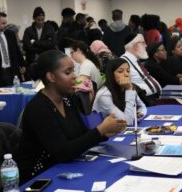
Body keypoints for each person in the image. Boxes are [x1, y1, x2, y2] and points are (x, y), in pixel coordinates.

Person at [15, 50, 127, 184]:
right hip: (39, 175)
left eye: (74, 71)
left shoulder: (69, 99)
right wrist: (100, 131)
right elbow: (62, 152)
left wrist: (105, 133)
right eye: (68, 73)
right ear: (51, 77)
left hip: (65, 166)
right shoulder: (38, 108)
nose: (75, 76)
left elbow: (81, 135)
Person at [93, 58, 147, 125]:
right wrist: (129, 90)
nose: (126, 74)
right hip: (108, 132)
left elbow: (142, 106)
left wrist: (139, 114)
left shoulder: (129, 86)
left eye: (128, 71)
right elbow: (127, 122)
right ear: (111, 75)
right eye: (120, 71)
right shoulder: (104, 95)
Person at [121, 33, 161, 106]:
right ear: (135, 46)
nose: (146, 45)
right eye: (143, 43)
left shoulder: (136, 60)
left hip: (153, 100)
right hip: (144, 103)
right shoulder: (123, 63)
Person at [0, 12, 26, 88]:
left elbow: (17, 51)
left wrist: (23, 64)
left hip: (11, 72)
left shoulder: (10, 34)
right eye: (3, 23)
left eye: (6, 23)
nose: (5, 26)